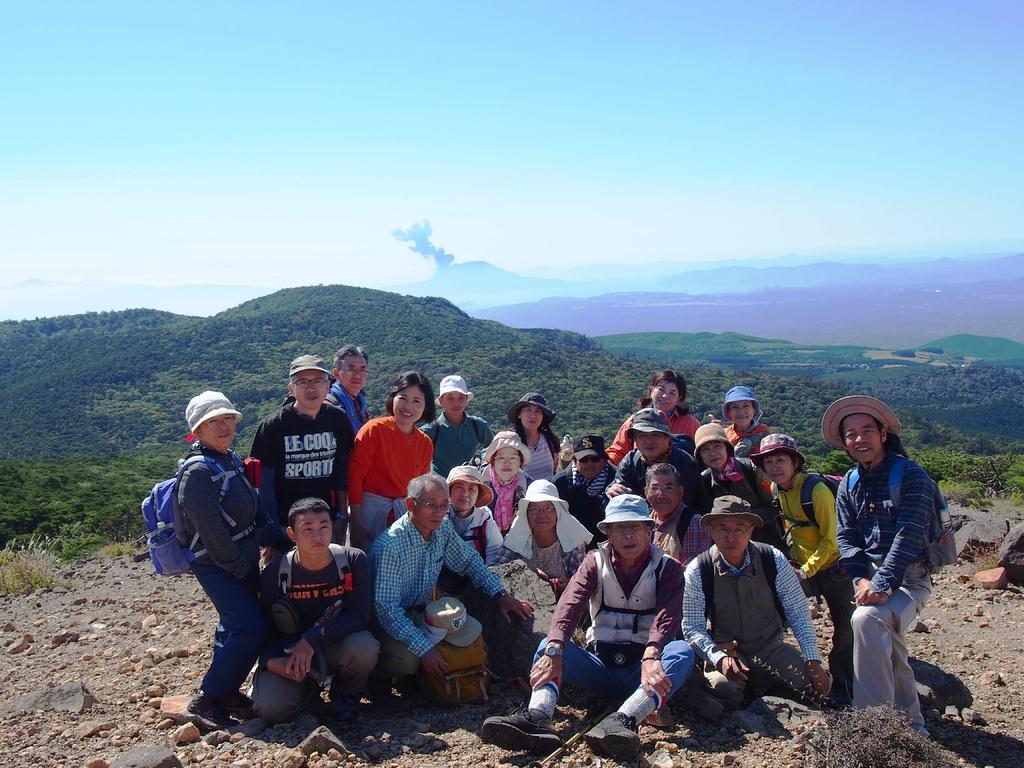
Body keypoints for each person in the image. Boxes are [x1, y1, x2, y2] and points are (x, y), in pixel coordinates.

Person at [481, 494, 696, 760]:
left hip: (643, 670)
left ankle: (624, 720)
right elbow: (570, 604)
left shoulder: (669, 568)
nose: (628, 535)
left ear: (649, 530)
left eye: (635, 527)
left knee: (681, 652)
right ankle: (538, 716)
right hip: (600, 666)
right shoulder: (594, 563)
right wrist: (556, 647)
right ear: (609, 533)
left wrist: (652, 655)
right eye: (619, 528)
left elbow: (668, 616)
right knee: (547, 647)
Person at [822, 395, 935, 735]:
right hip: (870, 581)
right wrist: (860, 580)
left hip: (910, 580)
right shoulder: (850, 483)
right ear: (844, 442)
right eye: (851, 433)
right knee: (885, 636)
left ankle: (872, 726)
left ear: (883, 433)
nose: (859, 439)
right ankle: (911, 726)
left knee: (867, 619)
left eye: (866, 430)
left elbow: (909, 533)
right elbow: (847, 538)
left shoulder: (912, 475)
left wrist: (882, 584)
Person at [369, 474, 534, 690]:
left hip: (420, 611)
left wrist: (500, 595)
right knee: (407, 659)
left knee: (469, 640)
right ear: (410, 504)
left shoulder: (442, 529)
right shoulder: (391, 546)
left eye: (444, 505)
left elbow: (469, 561)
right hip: (386, 619)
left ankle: (419, 679)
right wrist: (424, 648)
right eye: (431, 505)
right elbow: (386, 611)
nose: (439, 512)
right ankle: (375, 679)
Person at [682, 496, 830, 710]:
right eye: (723, 528)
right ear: (711, 531)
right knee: (726, 690)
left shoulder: (773, 559)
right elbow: (692, 628)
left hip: (771, 647)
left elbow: (798, 613)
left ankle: (767, 687)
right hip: (728, 651)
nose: (731, 536)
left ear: (751, 531)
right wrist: (719, 658)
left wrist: (812, 659)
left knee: (815, 688)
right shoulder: (698, 569)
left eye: (739, 528)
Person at [177, 391, 266, 730]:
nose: (224, 425)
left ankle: (227, 691)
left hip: (239, 557)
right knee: (250, 625)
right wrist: (244, 573)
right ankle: (207, 697)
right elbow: (213, 536)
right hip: (216, 564)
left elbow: (253, 508)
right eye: (213, 421)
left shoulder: (228, 458)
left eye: (228, 418)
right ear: (197, 430)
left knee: (234, 625)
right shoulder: (198, 473)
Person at [253, 498, 379, 723]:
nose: (317, 536)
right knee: (272, 710)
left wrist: (310, 640)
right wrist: (271, 661)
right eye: (307, 529)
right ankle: (308, 693)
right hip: (289, 654)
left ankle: (346, 696)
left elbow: (359, 616)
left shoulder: (353, 560)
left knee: (365, 646)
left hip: (334, 646)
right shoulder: (276, 573)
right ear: (292, 534)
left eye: (324, 526)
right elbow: (260, 627)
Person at [750, 433, 854, 704]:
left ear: (795, 462)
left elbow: (832, 541)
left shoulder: (815, 490)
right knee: (776, 611)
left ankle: (842, 681)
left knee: (846, 623)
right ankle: (777, 669)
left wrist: (805, 570)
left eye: (780, 459)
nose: (774, 466)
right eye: (769, 461)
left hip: (835, 567)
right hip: (805, 565)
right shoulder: (777, 490)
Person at [249, 354, 356, 545]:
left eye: (317, 380)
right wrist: (274, 530)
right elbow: (264, 485)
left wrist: (341, 516)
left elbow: (342, 472)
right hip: (286, 524)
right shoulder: (273, 426)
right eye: (303, 381)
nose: (311, 387)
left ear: (328, 385)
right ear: (291, 388)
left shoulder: (337, 419)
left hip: (325, 521)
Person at [347, 371, 435, 549]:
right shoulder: (374, 429)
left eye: (417, 401)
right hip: (369, 512)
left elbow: (421, 490)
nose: (408, 406)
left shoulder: (424, 442)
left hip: (404, 515)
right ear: (393, 398)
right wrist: (355, 520)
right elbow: (354, 476)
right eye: (403, 397)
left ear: (426, 406)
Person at [694, 423, 786, 551]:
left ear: (727, 448)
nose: (712, 453)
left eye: (717, 446)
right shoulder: (704, 480)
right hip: (729, 547)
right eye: (705, 449)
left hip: (765, 543)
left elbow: (774, 505)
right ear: (700, 456)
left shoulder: (751, 470)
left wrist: (745, 520)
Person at [493, 479, 593, 597]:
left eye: (548, 508)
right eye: (534, 509)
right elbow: (494, 572)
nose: (541, 515)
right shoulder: (516, 538)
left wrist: (569, 584)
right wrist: (527, 570)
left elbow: (583, 583)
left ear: (557, 511)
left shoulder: (574, 541)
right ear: (526, 513)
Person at [606, 408, 700, 511]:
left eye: (655, 435)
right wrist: (612, 490)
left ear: (668, 438)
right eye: (642, 436)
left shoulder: (685, 463)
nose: (649, 441)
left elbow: (685, 504)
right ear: (635, 439)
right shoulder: (631, 460)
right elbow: (619, 494)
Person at [436, 465, 504, 595]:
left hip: (475, 588)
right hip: (437, 587)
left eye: (472, 489)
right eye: (459, 487)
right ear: (449, 492)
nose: (465, 494)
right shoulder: (438, 516)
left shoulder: (485, 521)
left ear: (478, 494)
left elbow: (495, 560)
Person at [607, 370, 700, 464]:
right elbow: (618, 452)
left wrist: (714, 433)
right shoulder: (634, 422)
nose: (665, 396)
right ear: (651, 390)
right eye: (661, 389)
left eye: (672, 393)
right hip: (641, 476)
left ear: (679, 398)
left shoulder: (690, 424)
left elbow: (703, 454)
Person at [421, 374, 495, 477]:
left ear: (466, 401)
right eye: (450, 398)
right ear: (442, 401)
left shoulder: (477, 425)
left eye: (461, 398)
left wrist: (481, 460)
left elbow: (494, 450)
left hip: (469, 484)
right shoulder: (432, 429)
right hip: (441, 487)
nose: (456, 403)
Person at [645, 463, 711, 566]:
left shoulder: (694, 523)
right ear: (646, 492)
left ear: (680, 492)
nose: (661, 494)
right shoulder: (643, 521)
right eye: (654, 488)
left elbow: (691, 572)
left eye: (668, 488)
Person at [552, 434, 613, 544]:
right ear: (575, 460)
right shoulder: (560, 484)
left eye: (594, 458)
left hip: (609, 545)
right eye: (583, 459)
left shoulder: (616, 481)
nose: (589, 463)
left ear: (604, 459)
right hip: (571, 545)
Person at [481, 430, 534, 533]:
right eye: (501, 458)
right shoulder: (479, 482)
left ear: (520, 461)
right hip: (482, 537)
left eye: (513, 458)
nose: (507, 463)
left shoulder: (529, 485)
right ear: (493, 460)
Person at [507, 393, 560, 481]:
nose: (533, 415)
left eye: (537, 411)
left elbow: (557, 469)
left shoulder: (550, 441)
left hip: (549, 491)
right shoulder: (511, 442)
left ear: (543, 416)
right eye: (528, 410)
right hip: (523, 493)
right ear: (519, 415)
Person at [326, 344, 371, 436]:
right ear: (336, 373)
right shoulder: (328, 407)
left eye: (362, 370)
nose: (357, 375)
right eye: (351, 369)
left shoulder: (359, 401)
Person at [721, 385, 772, 458]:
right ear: (728, 412)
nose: (741, 412)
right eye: (735, 407)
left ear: (753, 409)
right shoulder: (723, 435)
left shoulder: (764, 434)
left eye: (746, 406)